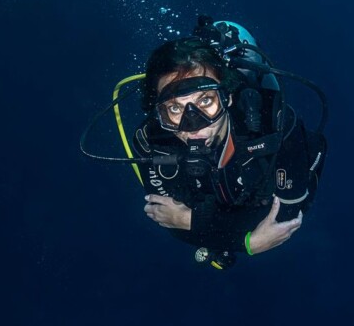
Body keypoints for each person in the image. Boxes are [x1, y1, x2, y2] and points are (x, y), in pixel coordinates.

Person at [131, 17, 327, 269]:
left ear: (228, 98)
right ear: (160, 113)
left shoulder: (275, 124)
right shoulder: (152, 143)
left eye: (205, 101)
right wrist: (246, 241)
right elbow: (168, 221)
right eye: (175, 108)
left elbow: (286, 220)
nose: (194, 124)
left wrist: (194, 220)